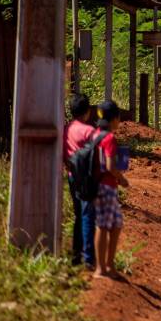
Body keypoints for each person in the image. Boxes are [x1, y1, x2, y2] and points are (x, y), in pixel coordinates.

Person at [92, 100, 129, 278]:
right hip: (106, 187)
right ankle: (101, 268)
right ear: (114, 119)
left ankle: (110, 265)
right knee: (103, 225)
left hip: (100, 185)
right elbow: (110, 166)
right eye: (119, 118)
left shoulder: (95, 134)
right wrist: (121, 179)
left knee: (116, 224)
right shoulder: (109, 138)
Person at [63, 93, 97, 268]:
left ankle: (76, 254)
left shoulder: (66, 129)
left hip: (71, 177)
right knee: (88, 215)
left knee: (79, 214)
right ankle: (89, 257)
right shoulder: (90, 131)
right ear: (87, 111)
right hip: (87, 179)